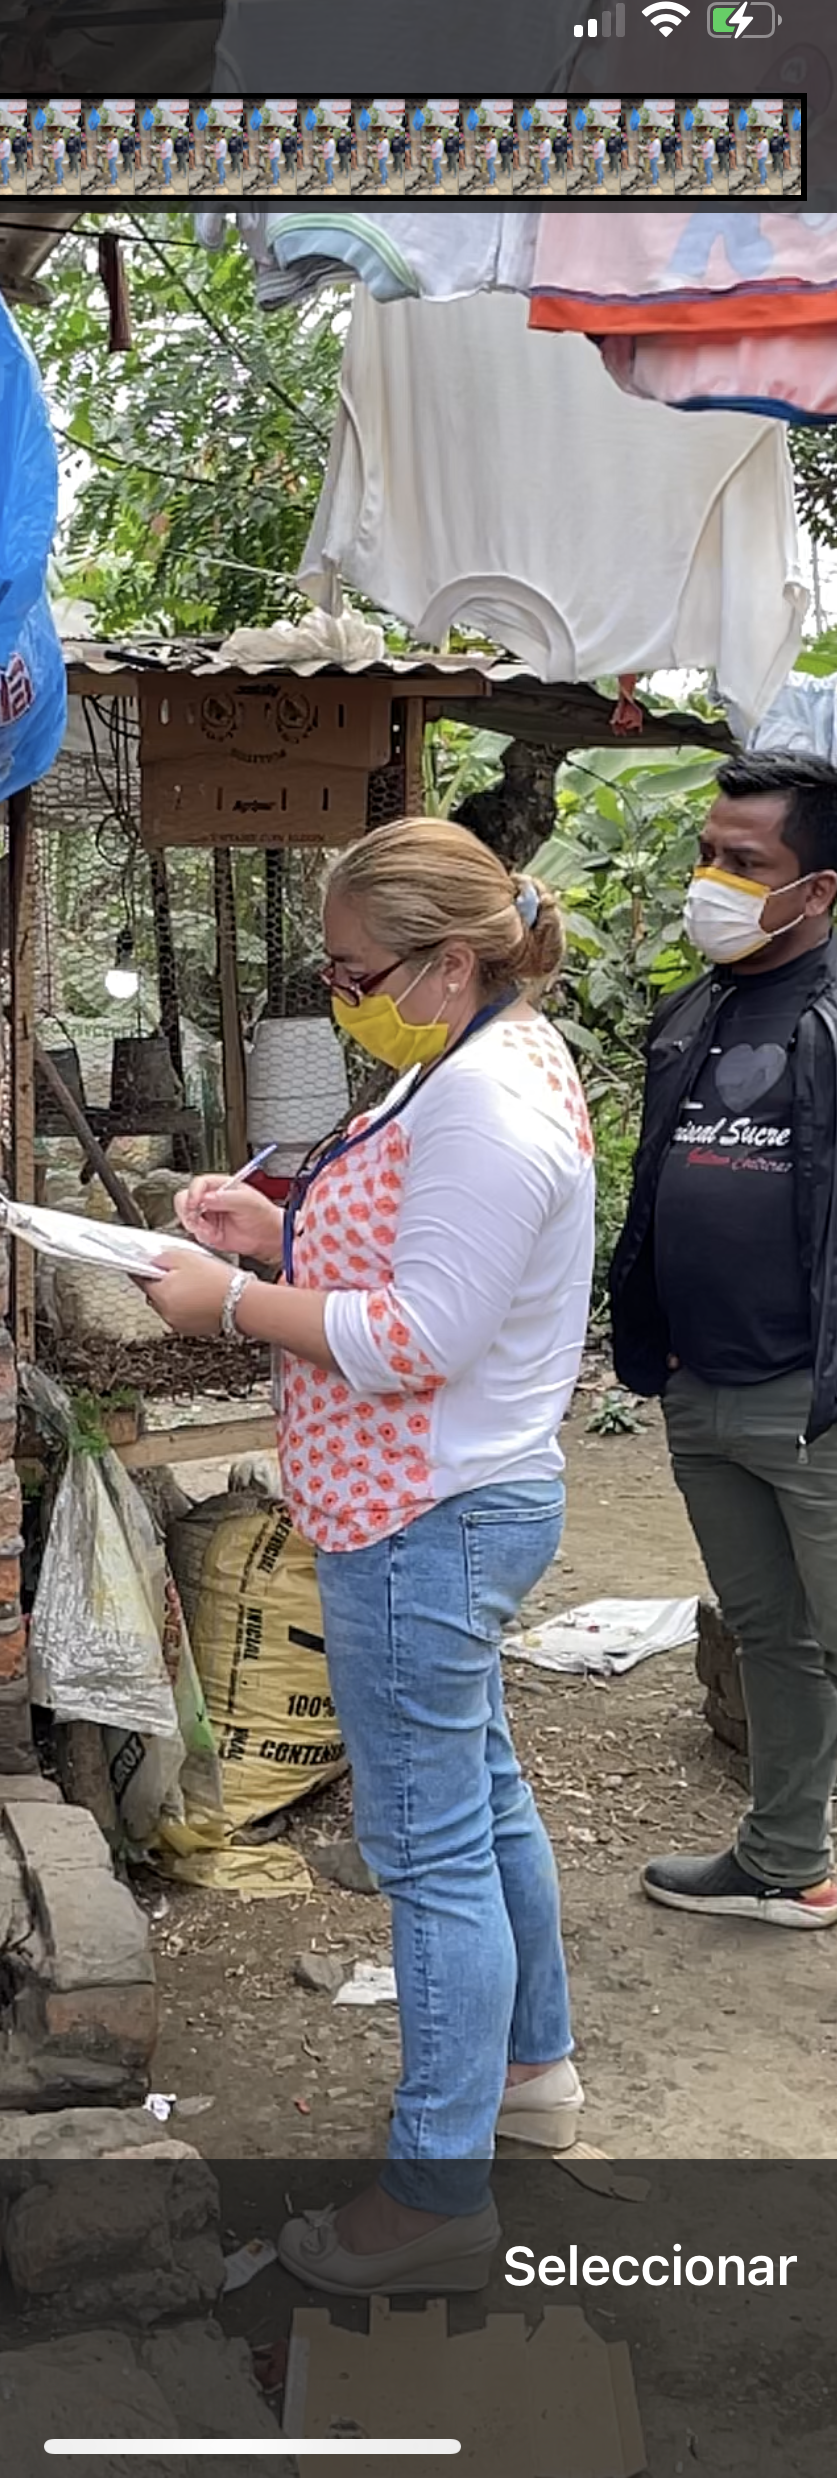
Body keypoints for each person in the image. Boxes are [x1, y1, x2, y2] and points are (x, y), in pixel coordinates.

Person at [147, 817, 595, 2293]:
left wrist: (226, 1302)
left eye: (353, 973)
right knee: (481, 1798)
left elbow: (417, 1335)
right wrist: (276, 1229)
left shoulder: (482, 1103)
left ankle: (434, 2195)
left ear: (448, 961)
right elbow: (415, 1255)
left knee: (429, 1852)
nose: (339, 996)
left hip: (422, 1513)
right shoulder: (469, 1055)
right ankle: (528, 2069)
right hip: (441, 1501)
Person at [611, 753, 837, 1929]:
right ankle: (786, 1859)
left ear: (819, 888)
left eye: (745, 863)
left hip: (816, 1399)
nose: (712, 880)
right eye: (707, 853)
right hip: (699, 1386)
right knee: (768, 1635)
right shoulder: (693, 1009)